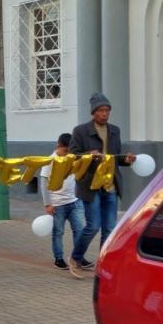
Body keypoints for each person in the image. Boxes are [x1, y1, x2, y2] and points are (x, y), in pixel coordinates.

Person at [68, 93, 136, 279]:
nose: (104, 114)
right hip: (90, 184)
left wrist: (127, 160)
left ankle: (103, 264)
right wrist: (89, 155)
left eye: (107, 110)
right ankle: (75, 258)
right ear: (93, 112)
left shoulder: (115, 130)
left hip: (110, 184)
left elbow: (115, 158)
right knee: (93, 225)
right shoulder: (80, 131)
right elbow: (73, 157)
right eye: (101, 110)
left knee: (110, 228)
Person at [40, 133, 85, 270]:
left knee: (79, 230)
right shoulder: (50, 161)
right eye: (65, 151)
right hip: (57, 204)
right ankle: (58, 258)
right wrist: (47, 203)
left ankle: (78, 257)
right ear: (58, 146)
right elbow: (43, 182)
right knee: (58, 232)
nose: (67, 154)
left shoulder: (72, 159)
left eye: (70, 151)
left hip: (74, 201)